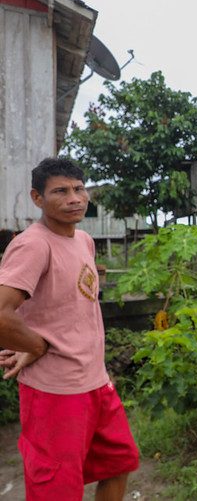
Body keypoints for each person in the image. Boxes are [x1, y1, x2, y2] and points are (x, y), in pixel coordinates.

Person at [0, 158, 139, 500]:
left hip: (94, 381)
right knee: (57, 489)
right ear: (37, 198)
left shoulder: (85, 241)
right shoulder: (34, 245)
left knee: (118, 464)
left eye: (79, 189)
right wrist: (36, 345)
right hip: (55, 392)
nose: (74, 198)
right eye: (60, 191)